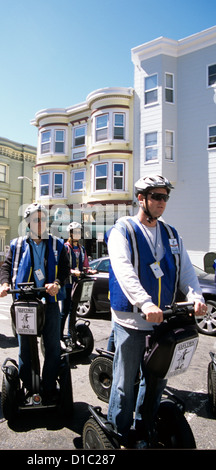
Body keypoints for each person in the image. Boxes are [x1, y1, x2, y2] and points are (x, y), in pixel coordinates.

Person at [106, 174, 207, 447]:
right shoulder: (122, 230)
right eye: (157, 197)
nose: (163, 202)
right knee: (126, 383)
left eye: (165, 197)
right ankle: (120, 431)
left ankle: (145, 427)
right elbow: (124, 270)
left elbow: (186, 270)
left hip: (164, 320)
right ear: (141, 199)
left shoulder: (172, 233)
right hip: (132, 320)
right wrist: (145, 302)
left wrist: (196, 296)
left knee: (157, 381)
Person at [0, 203, 70, 403]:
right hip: (25, 302)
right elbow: (6, 267)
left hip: (50, 301)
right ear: (28, 222)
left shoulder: (57, 244)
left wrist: (57, 283)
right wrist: (4, 284)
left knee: (53, 346)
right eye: (36, 219)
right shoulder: (17, 244)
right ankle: (30, 387)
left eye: (44, 219)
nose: (41, 223)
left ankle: (48, 386)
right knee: (26, 347)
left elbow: (64, 270)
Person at [60, 222, 90, 348]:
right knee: (65, 311)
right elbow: (63, 266)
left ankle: (72, 336)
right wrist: (72, 272)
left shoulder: (82, 249)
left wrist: (89, 270)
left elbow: (85, 265)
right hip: (67, 284)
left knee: (74, 312)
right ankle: (59, 336)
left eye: (79, 231)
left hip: (77, 285)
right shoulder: (66, 247)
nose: (77, 234)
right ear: (71, 233)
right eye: (75, 231)